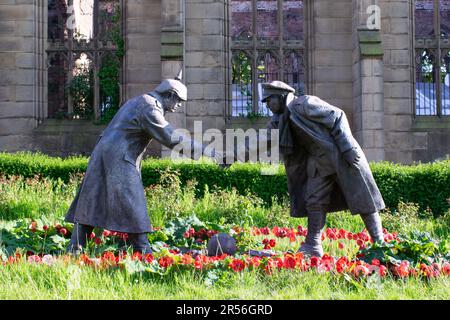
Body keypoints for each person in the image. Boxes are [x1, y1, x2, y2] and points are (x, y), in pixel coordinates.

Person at [65, 72, 221, 254]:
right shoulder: (150, 108)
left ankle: (75, 248)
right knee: (133, 201)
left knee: (92, 199)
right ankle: (142, 249)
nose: (178, 106)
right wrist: (209, 152)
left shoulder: (139, 101)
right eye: (178, 101)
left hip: (103, 153)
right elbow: (170, 136)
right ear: (169, 95)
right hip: (119, 157)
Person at [260, 81, 385, 257]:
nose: (267, 105)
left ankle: (380, 243)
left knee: (361, 196)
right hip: (318, 164)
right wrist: (229, 155)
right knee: (314, 200)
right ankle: (313, 244)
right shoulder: (278, 121)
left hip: (340, 155)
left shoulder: (304, 104)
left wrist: (347, 146)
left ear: (280, 97)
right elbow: (259, 142)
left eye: (269, 100)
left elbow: (337, 115)